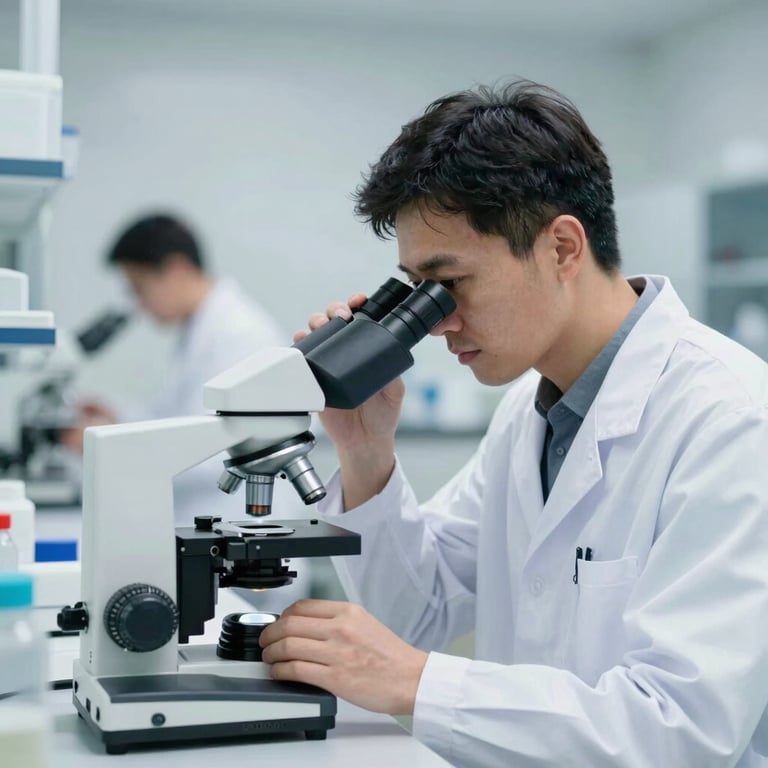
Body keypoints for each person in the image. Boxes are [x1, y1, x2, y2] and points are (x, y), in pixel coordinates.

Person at [257, 81, 768, 767]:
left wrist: (416, 682)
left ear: (562, 248)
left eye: (450, 284)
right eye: (418, 291)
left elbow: (681, 731)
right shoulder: (531, 413)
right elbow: (420, 614)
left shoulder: (730, 420)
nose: (435, 323)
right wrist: (365, 450)